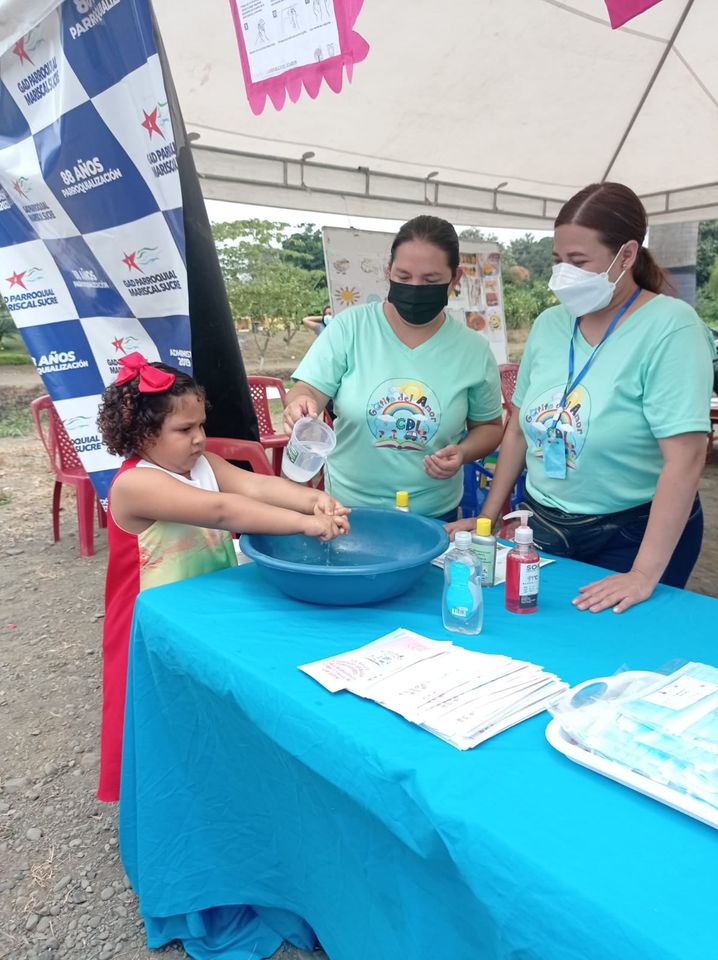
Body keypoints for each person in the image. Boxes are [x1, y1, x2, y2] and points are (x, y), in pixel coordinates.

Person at [448, 182, 715, 614]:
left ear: (626, 256)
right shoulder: (550, 324)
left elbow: (685, 458)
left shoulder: (672, 328)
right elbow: (517, 430)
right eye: (558, 260)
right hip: (543, 523)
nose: (563, 274)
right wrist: (488, 519)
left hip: (632, 533)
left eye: (578, 261)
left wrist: (643, 574)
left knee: (613, 642)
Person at [95, 352, 350, 802]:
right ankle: (159, 799)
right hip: (150, 620)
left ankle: (212, 789)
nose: (199, 438)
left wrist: (313, 501)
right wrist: (305, 524)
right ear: (141, 432)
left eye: (201, 425)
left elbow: (257, 486)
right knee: (157, 708)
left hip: (203, 609)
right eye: (184, 430)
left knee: (201, 702)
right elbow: (221, 510)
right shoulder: (135, 484)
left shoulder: (204, 465)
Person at [284, 216, 504, 520]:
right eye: (403, 275)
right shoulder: (350, 328)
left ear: (455, 279)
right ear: (389, 270)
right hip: (346, 512)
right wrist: (300, 404)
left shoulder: (473, 350)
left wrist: (464, 452)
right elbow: (307, 389)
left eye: (430, 280)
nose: (415, 288)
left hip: (433, 517)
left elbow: (490, 428)